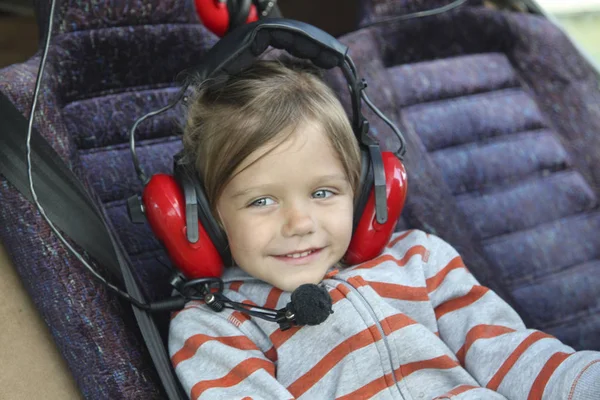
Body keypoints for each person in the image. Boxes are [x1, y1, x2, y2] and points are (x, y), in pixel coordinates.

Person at [168, 59, 600, 399]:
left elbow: (510, 354)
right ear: (204, 215)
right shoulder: (217, 328)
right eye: (261, 201)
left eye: (323, 193)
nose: (300, 224)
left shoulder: (420, 262)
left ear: (363, 193)